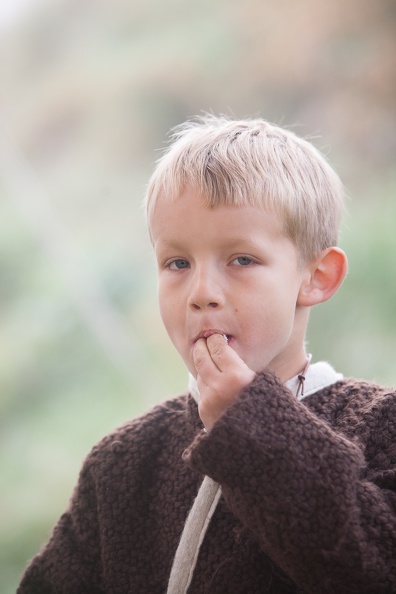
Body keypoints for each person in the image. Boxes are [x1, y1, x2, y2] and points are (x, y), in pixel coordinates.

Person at [18, 115, 396, 594]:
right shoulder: (122, 464)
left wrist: (253, 426)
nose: (201, 292)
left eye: (241, 260)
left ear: (316, 276)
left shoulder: (381, 426)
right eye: (177, 263)